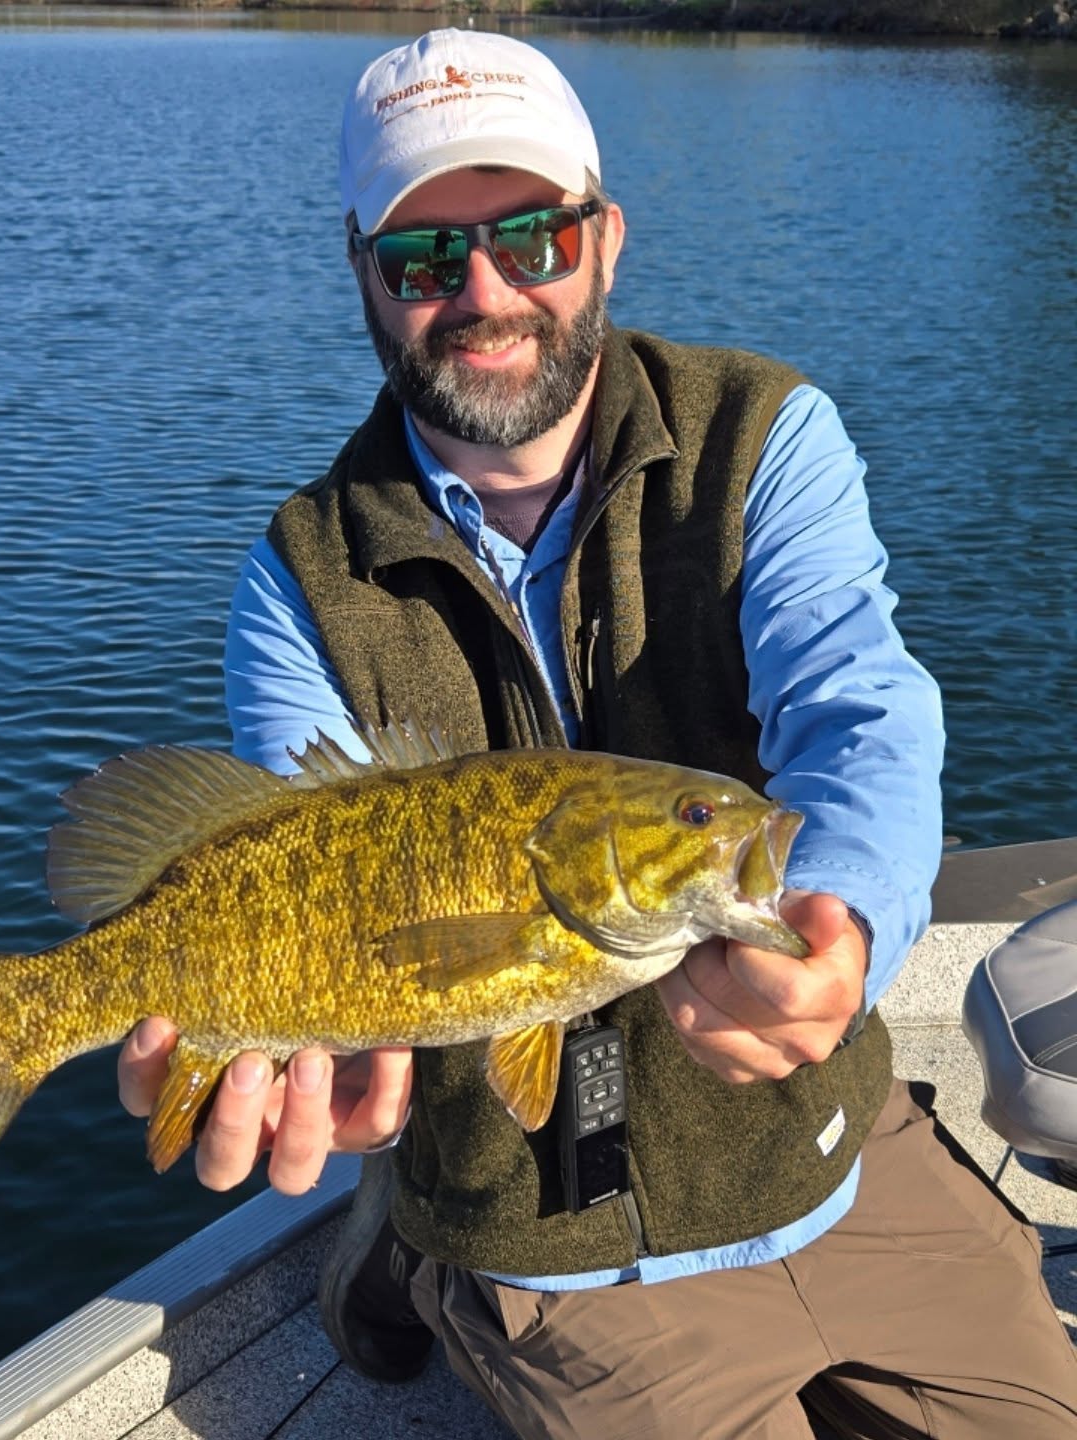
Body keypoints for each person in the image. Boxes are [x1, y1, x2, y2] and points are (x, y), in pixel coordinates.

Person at [118, 28, 1077, 1439]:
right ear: (367, 277)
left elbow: (860, 708)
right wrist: (299, 1064)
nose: (486, 293)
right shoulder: (301, 572)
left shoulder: (762, 435)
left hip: (834, 1156)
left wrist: (847, 932)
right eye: (426, 259)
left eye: (532, 235)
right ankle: (403, 1242)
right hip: (548, 1250)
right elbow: (285, 848)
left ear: (605, 236)